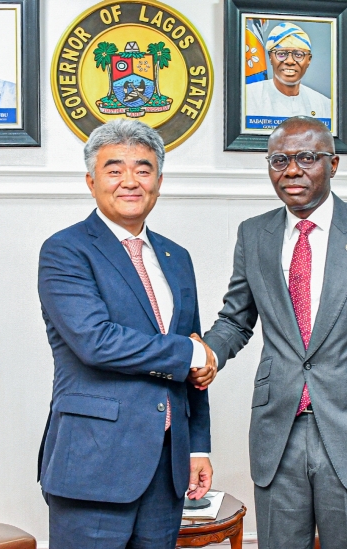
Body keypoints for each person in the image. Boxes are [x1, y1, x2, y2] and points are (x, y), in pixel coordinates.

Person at [197, 117, 347, 549]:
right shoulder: (254, 234)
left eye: (306, 158)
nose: (292, 170)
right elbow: (236, 320)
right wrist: (205, 354)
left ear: (333, 164)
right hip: (278, 432)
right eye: (279, 160)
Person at [37, 119, 216, 549]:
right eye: (114, 170)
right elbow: (95, 341)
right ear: (91, 181)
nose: (130, 181)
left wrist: (197, 447)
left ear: (158, 180)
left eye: (143, 169)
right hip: (94, 464)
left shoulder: (177, 257)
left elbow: (192, 359)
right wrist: (191, 354)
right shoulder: (65, 250)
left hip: (167, 465)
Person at [245, 22, 331, 124]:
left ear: (309, 60)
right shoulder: (247, 97)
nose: (290, 61)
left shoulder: (324, 105)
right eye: (281, 54)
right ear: (270, 57)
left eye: (298, 55)